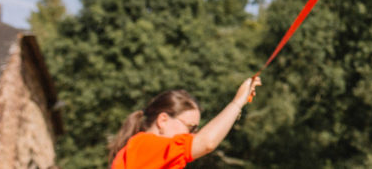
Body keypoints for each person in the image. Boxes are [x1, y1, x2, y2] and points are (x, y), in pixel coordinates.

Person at [108, 76, 260, 168]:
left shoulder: (149, 152)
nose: (193, 134)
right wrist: (237, 102)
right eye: (190, 127)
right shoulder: (144, 144)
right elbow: (207, 142)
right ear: (163, 120)